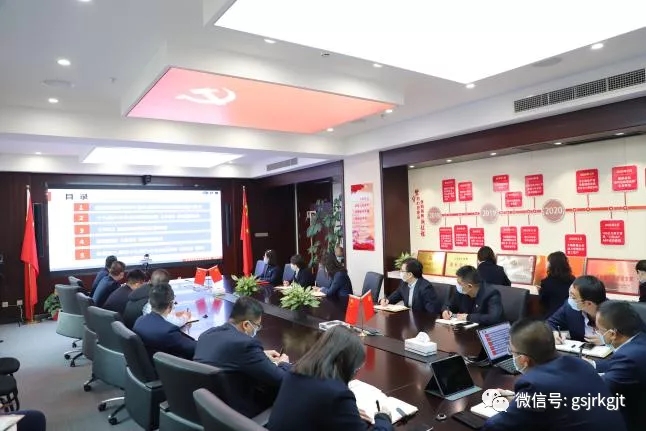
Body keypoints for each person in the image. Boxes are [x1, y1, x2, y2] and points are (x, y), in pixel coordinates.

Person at [483, 319, 627, 431]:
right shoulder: (580, 364)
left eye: (512, 351)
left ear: (523, 359)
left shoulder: (534, 385)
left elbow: (496, 426)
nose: (512, 355)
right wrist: (518, 400)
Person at [267, 325, 393, 431]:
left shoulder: (293, 372)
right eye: (356, 368)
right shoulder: (337, 394)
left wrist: (347, 414)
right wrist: (383, 419)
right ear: (345, 363)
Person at [193, 297, 290, 418]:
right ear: (246, 325)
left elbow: (228, 354)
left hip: (208, 409)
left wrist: (261, 354)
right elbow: (281, 379)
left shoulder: (206, 335)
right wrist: (283, 363)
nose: (257, 330)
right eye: (257, 326)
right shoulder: (245, 345)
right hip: (237, 416)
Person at [584, 301, 646, 431]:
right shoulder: (639, 338)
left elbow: (601, 389)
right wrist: (593, 365)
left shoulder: (630, 357)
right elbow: (620, 364)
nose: (597, 333)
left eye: (598, 330)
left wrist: (578, 373)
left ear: (612, 334)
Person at [132, 283, 196, 360]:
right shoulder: (168, 331)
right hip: (173, 365)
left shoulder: (139, 321)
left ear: (150, 302)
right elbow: (194, 348)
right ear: (171, 304)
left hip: (151, 362)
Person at [547, 275, 606, 344]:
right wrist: (553, 333)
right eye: (570, 294)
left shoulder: (613, 312)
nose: (570, 299)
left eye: (573, 297)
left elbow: (617, 339)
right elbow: (548, 323)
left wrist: (606, 341)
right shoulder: (569, 308)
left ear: (589, 303)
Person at [123, 269, 189, 328]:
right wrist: (185, 317)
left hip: (132, 328)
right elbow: (172, 322)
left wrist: (174, 314)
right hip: (140, 332)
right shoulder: (155, 296)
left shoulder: (144, 289)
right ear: (165, 284)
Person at [539, 251, 575, 317]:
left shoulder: (547, 282)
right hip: (570, 315)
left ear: (551, 265)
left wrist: (540, 290)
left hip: (553, 316)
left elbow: (543, 302)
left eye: (548, 262)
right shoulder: (573, 280)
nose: (546, 264)